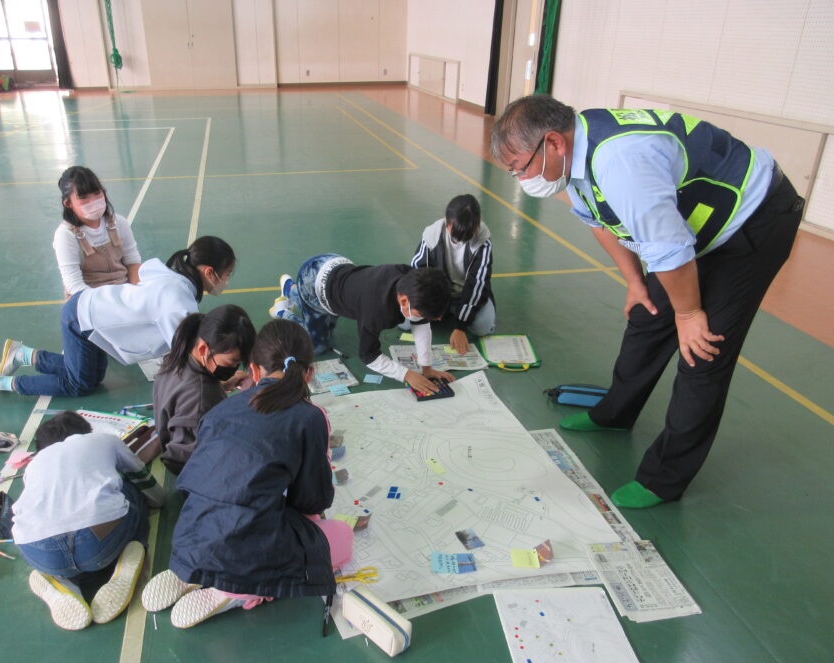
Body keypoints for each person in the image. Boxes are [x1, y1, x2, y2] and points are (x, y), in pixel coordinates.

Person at [491, 95, 804, 508]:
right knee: (648, 316)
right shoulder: (575, 153)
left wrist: (689, 314)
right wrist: (635, 281)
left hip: (754, 218)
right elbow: (601, 222)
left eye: (520, 167)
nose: (521, 178)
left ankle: (664, 479)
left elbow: (670, 250)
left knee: (702, 352)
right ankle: (615, 413)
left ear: (553, 143)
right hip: (692, 229)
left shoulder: (620, 162)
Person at [140, 320, 353, 629]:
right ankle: (239, 592)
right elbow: (312, 500)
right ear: (310, 373)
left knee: (245, 512)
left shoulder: (220, 409)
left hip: (192, 534)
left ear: (253, 370)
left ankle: (194, 571)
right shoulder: (310, 417)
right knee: (341, 537)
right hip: (244, 550)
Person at [0, 236, 236, 398]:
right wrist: (223, 379)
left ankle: (21, 354)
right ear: (209, 272)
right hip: (81, 319)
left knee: (90, 374)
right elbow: (190, 352)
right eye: (227, 275)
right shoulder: (176, 300)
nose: (227, 280)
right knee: (78, 384)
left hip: (92, 312)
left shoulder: (175, 280)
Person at [12, 411, 165, 631]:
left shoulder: (34, 464)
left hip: (37, 550)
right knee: (128, 489)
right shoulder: (105, 440)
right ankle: (131, 551)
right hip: (96, 544)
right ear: (88, 431)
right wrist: (160, 500)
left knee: (51, 532)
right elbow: (140, 476)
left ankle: (62, 581)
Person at [270, 255, 454, 394]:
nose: (430, 320)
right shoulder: (377, 309)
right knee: (318, 345)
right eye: (422, 314)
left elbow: (421, 323)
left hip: (336, 265)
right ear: (404, 301)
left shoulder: (414, 281)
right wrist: (407, 374)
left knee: (328, 324)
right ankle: (285, 305)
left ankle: (294, 291)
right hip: (313, 282)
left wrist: (426, 367)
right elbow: (369, 356)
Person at [153, 305, 257, 475]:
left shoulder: (179, 357)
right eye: (231, 362)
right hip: (198, 474)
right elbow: (180, 459)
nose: (234, 368)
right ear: (203, 349)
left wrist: (220, 385)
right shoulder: (201, 396)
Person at [410, 194, 495, 354]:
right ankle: (445, 311)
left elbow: (477, 285)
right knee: (406, 321)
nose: (460, 240)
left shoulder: (483, 242)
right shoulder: (432, 235)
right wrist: (428, 303)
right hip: (439, 293)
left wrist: (460, 327)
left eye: (468, 234)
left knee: (482, 327)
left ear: (477, 224)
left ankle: (454, 314)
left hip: (466, 294)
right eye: (455, 233)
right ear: (446, 221)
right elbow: (418, 272)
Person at [53, 166, 142, 297]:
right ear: (68, 204)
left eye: (97, 194)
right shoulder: (65, 235)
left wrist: (136, 293)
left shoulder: (119, 222)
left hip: (125, 292)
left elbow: (133, 262)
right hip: (89, 299)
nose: (93, 202)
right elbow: (74, 285)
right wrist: (109, 303)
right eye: (83, 198)